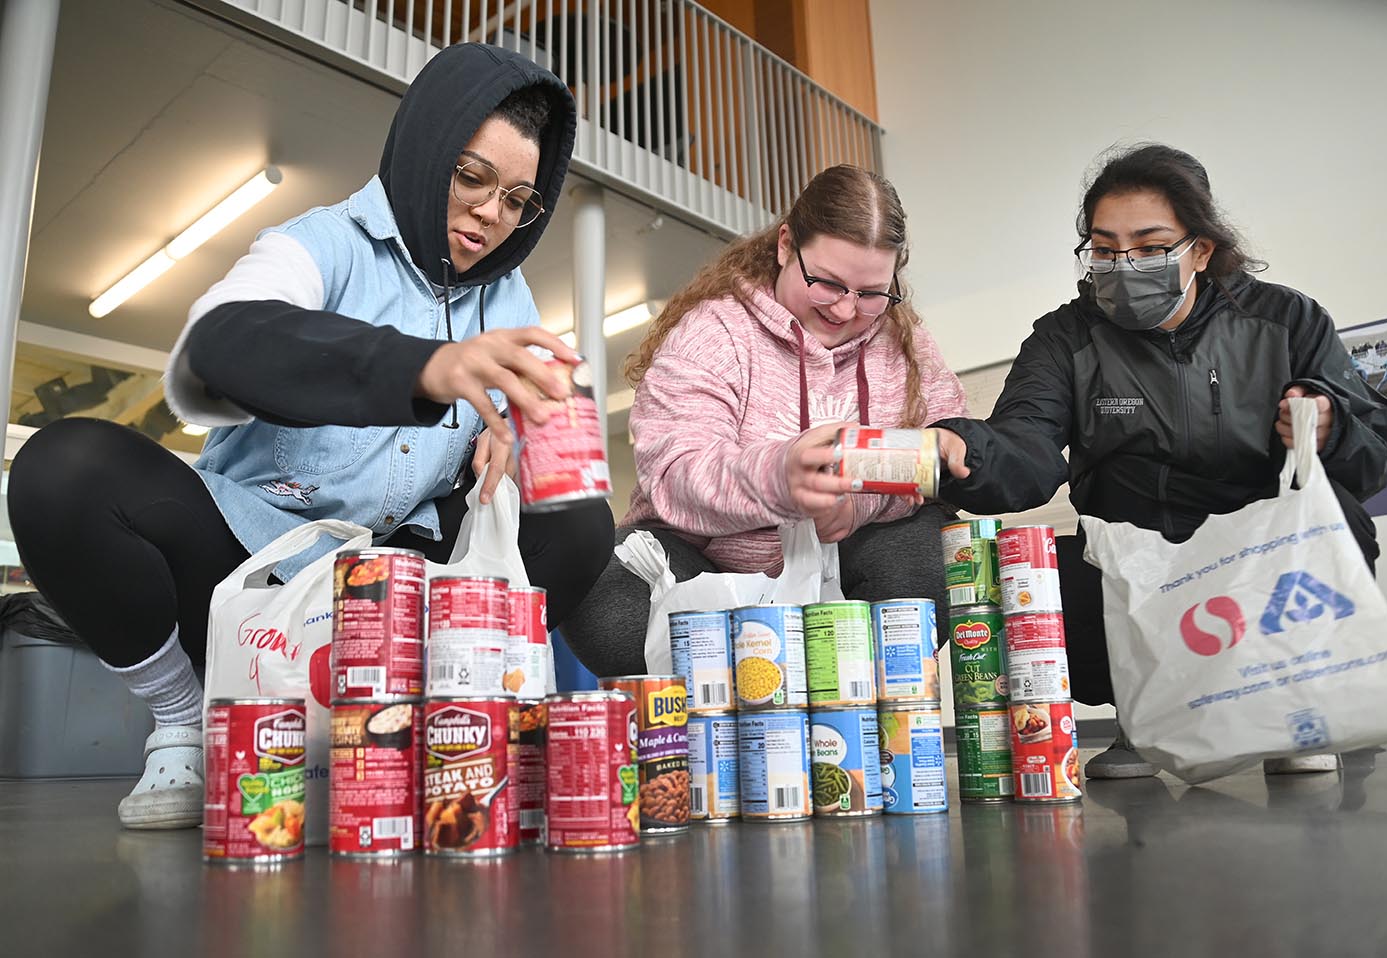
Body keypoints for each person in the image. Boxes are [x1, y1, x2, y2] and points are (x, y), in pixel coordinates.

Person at [6, 44, 615, 829]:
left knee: (580, 522)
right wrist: (424, 367)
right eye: (472, 178)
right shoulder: (318, 244)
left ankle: (436, 726)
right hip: (246, 581)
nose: (492, 215)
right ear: (429, 151)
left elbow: (537, 430)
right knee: (63, 468)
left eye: (519, 200)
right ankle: (188, 722)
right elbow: (214, 349)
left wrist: (522, 440)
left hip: (395, 598)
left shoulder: (509, 294)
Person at [929, 144, 1387, 780]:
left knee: (1342, 520)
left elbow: (1371, 463)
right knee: (1034, 579)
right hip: (1132, 552)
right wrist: (964, 451)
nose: (1126, 265)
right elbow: (1027, 443)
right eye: (1105, 247)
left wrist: (1331, 422)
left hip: (1257, 553)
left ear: (1200, 250)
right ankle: (1141, 716)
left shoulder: (1284, 320)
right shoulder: (1066, 338)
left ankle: (1291, 709)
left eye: (1150, 246)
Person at [563, 165, 968, 675]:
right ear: (784, 246)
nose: (845, 310)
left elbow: (944, 454)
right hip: (707, 567)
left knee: (936, 551)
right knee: (602, 586)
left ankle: (859, 712)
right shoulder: (712, 333)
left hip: (848, 567)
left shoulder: (905, 344)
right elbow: (675, 474)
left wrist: (859, 501)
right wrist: (781, 479)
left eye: (870, 294)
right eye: (826, 283)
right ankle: (729, 700)